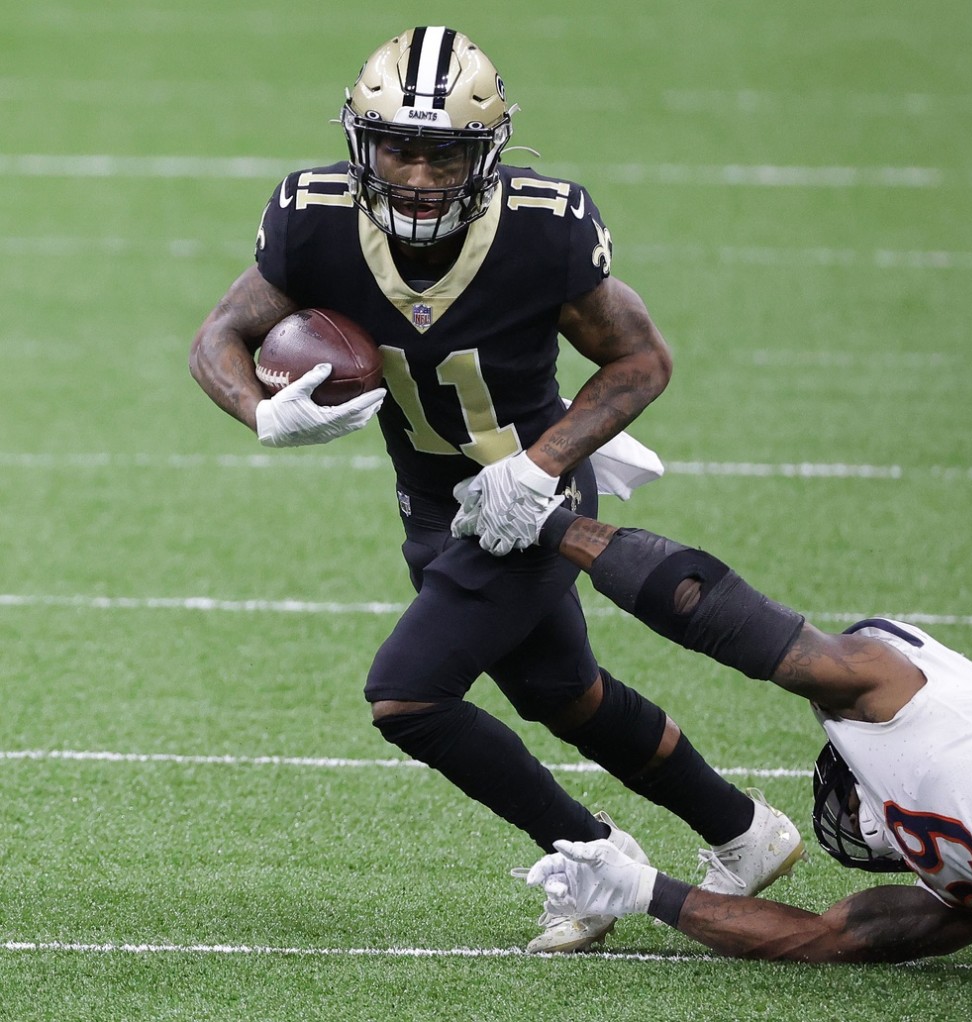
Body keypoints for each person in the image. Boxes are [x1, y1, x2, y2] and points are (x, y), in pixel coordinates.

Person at [188, 26, 803, 953]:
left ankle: (596, 860)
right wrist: (262, 414)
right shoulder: (313, 217)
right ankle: (744, 832)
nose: (421, 176)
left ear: (490, 152)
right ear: (361, 140)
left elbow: (641, 360)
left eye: (447, 153)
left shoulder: (541, 228)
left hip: (534, 502)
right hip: (433, 503)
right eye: (399, 146)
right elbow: (217, 339)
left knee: (407, 697)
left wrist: (546, 460)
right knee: (567, 692)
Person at [516, 508, 972, 985]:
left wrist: (554, 525)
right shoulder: (958, 903)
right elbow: (814, 939)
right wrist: (643, 890)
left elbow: (713, 609)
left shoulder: (901, 697)